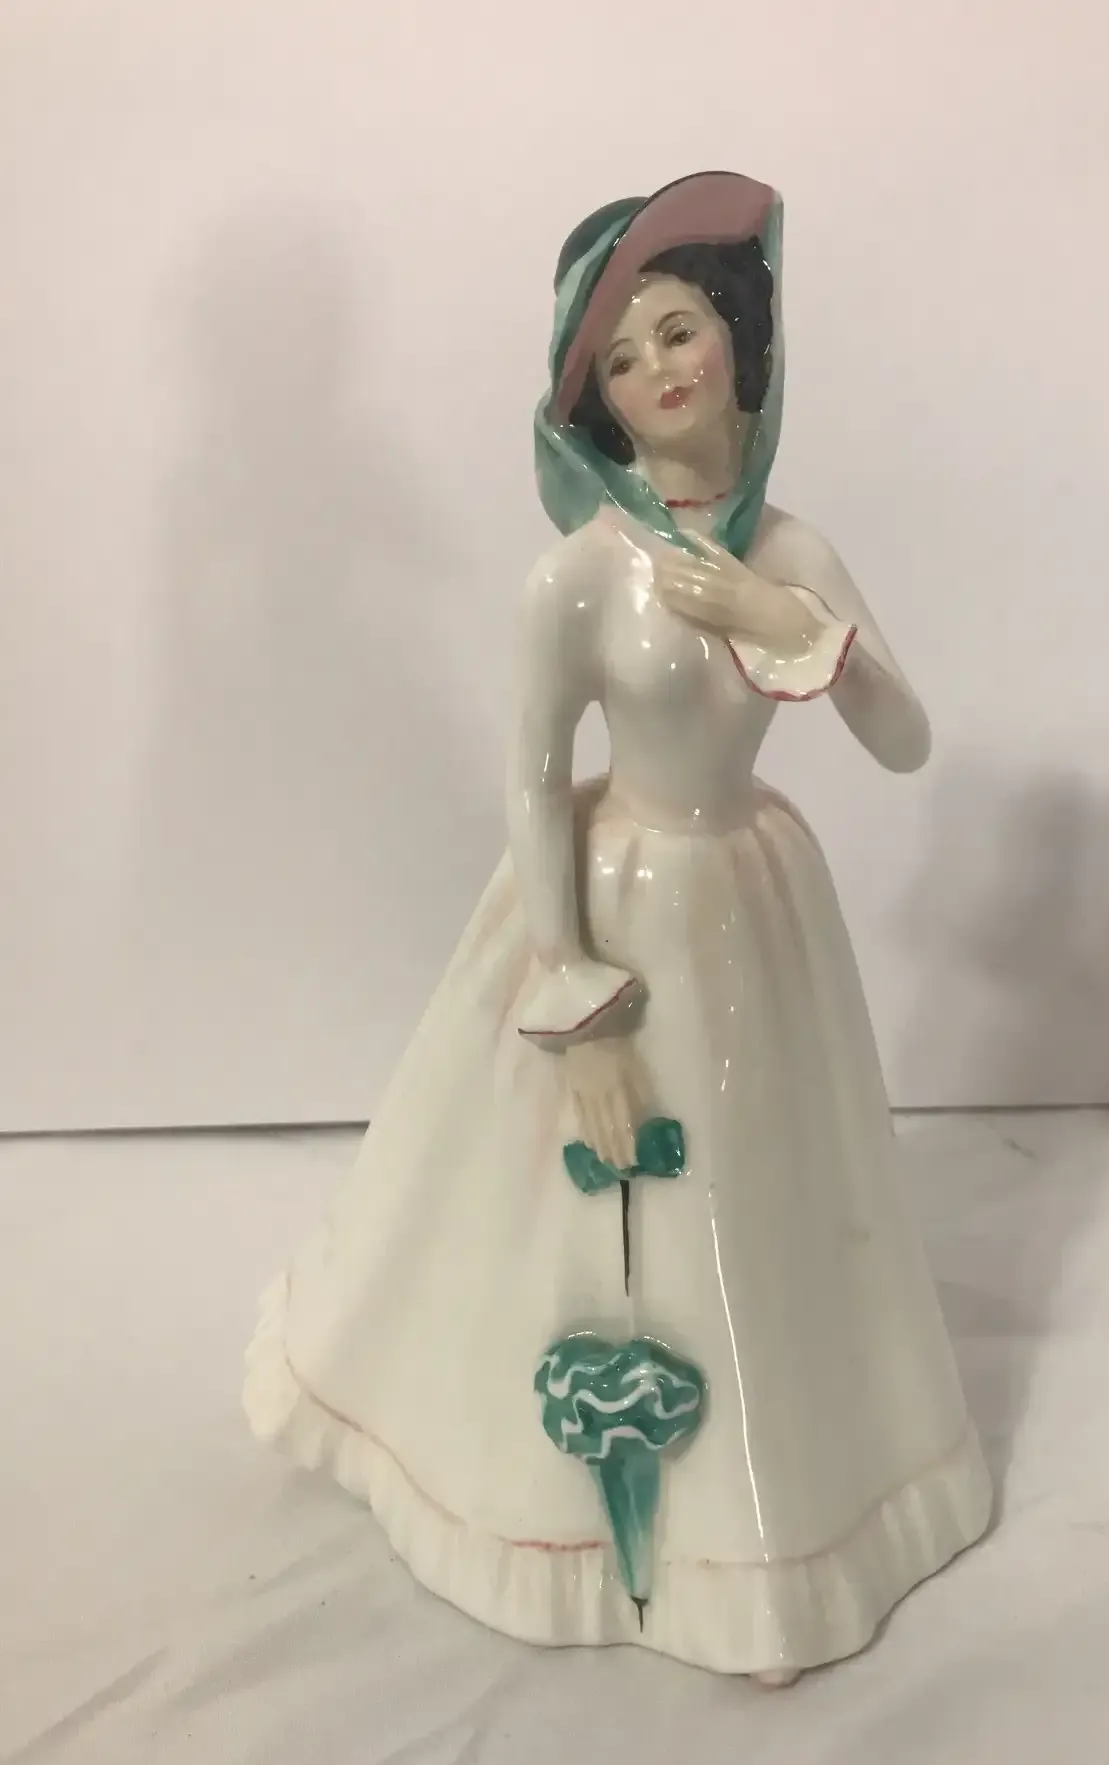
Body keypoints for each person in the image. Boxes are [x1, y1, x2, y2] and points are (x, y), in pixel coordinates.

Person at [246, 171, 992, 1685]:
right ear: (597, 404)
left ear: (737, 340)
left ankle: (776, 1511)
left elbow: (906, 741)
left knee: (760, 1185)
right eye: (626, 354)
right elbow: (531, 779)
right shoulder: (582, 577)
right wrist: (571, 986)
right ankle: (577, 1518)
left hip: (752, 897)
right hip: (619, 896)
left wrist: (797, 631)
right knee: (597, 1206)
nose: (661, 367)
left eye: (681, 326)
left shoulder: (795, 553)